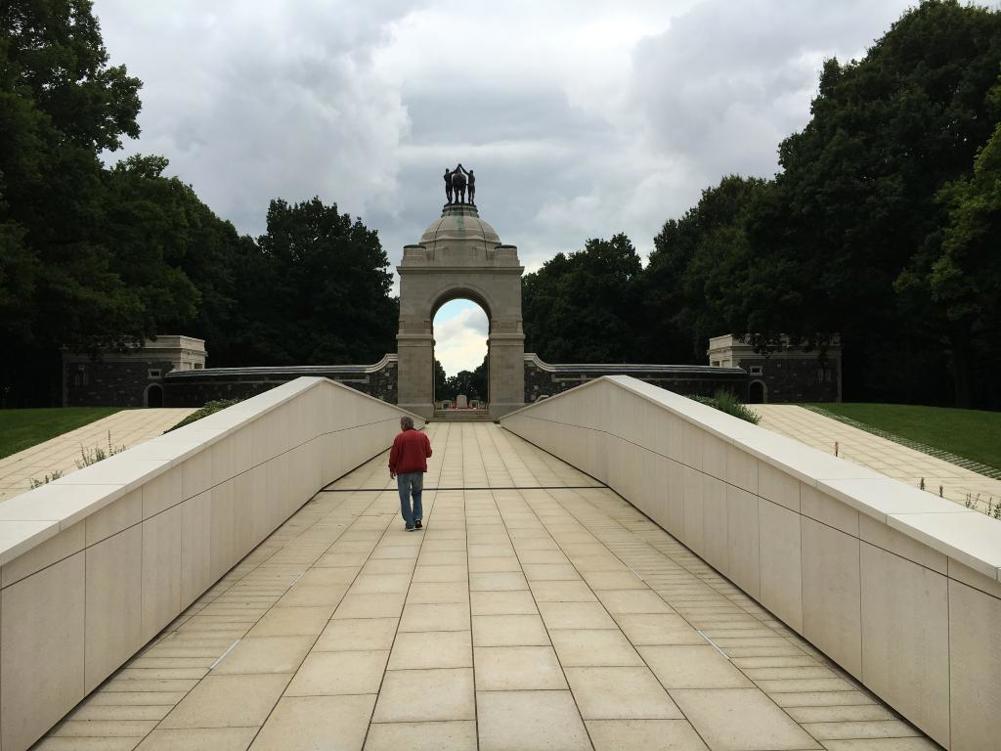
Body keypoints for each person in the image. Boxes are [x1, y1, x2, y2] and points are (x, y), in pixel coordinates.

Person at [388, 416, 432, 531]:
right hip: (418, 470)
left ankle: (409, 523)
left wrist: (392, 468)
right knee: (417, 494)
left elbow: (394, 455)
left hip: (404, 472)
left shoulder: (399, 438)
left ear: (403, 425)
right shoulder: (422, 436)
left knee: (404, 496)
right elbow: (429, 453)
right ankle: (418, 518)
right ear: (412, 425)